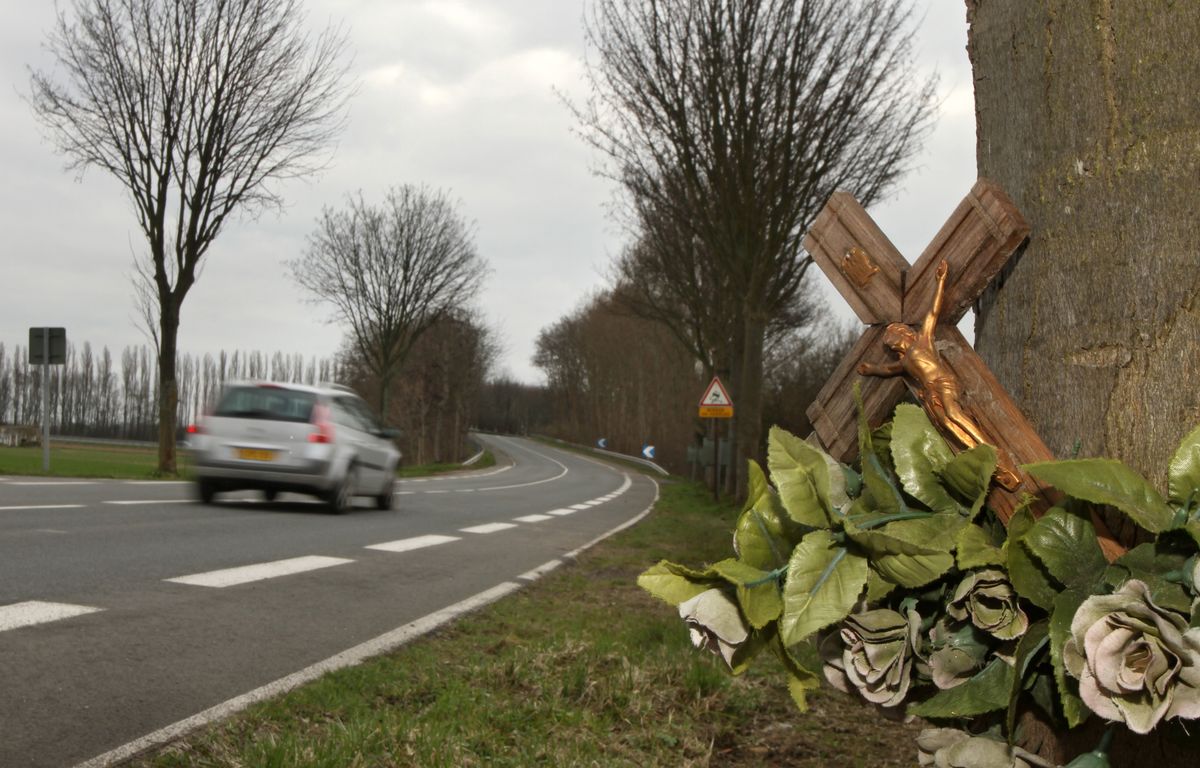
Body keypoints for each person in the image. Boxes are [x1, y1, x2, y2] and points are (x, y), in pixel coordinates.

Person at [858, 260, 1019, 490]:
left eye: (895, 337)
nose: (894, 344)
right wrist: (870, 368)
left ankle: (991, 450)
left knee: (954, 414)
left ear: (904, 334)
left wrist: (941, 281)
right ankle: (980, 455)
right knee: (945, 422)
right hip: (931, 392)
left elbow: (934, 310)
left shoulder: (923, 340)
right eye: (892, 343)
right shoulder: (904, 362)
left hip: (943, 383)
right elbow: (886, 370)